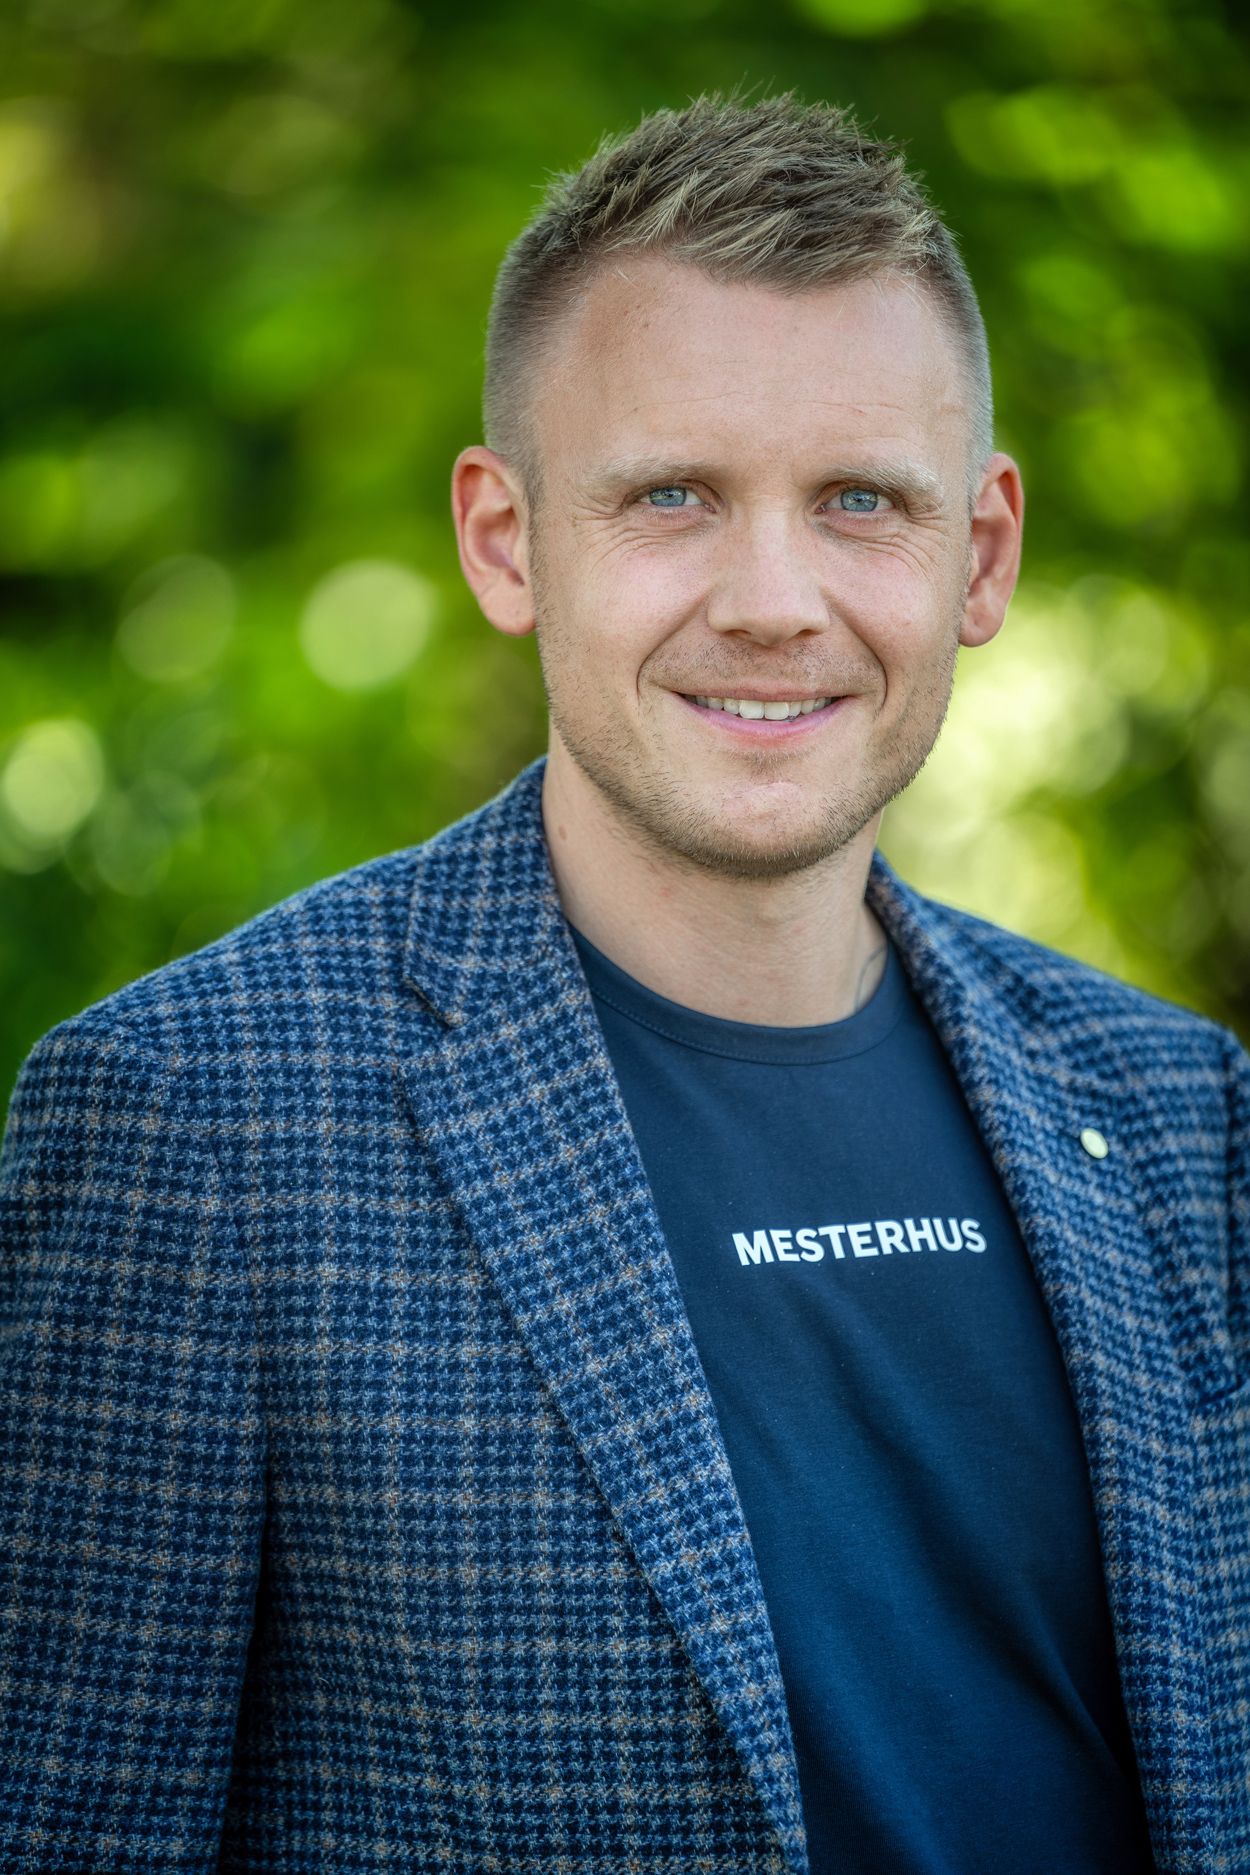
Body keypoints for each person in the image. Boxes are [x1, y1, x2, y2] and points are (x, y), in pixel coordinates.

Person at [1, 91, 1246, 1875]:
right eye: (672, 495)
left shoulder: (1184, 1118)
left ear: (979, 556)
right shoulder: (201, 1119)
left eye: (859, 501)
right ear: (505, 541)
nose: (771, 600)